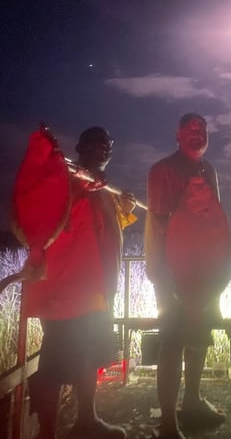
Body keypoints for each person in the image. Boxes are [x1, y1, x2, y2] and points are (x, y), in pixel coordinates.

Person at [23, 127, 137, 439]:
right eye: (93, 143)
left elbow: (103, 228)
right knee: (54, 366)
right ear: (78, 147)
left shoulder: (103, 189)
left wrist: (123, 210)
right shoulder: (64, 179)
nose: (101, 148)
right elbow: (55, 221)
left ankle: (87, 420)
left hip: (98, 291)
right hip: (67, 290)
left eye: (106, 144)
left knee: (91, 356)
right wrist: (79, 189)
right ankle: (46, 433)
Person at [144, 113, 231, 439]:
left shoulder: (208, 170)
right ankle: (168, 422)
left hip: (206, 272)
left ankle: (192, 401)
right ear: (177, 135)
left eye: (202, 130)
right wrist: (171, 278)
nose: (197, 134)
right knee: (172, 341)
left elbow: (214, 220)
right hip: (172, 273)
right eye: (189, 129)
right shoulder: (163, 170)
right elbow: (164, 223)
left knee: (199, 337)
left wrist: (220, 257)